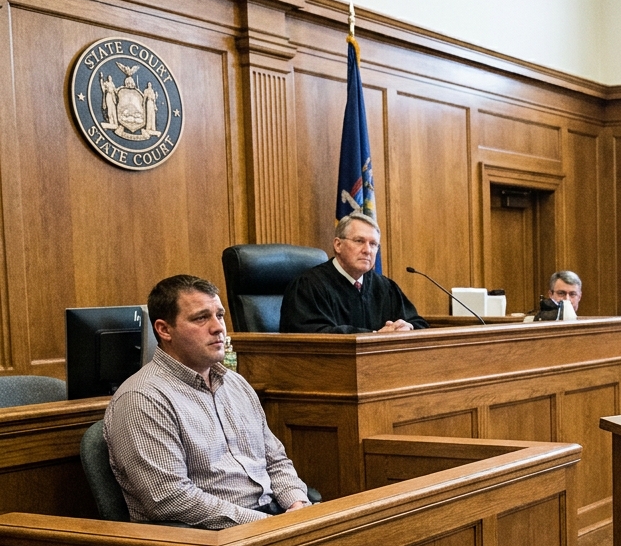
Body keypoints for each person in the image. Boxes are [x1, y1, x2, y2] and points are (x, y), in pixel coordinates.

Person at [106, 275, 312, 529]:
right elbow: (169, 498)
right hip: (210, 538)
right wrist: (268, 524)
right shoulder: (143, 398)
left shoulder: (236, 384)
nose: (218, 328)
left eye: (220, 315)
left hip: (270, 520)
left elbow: (275, 460)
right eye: (201, 318)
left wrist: (297, 505)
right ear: (164, 329)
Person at [280, 213, 428, 333]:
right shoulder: (309, 286)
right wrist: (375, 336)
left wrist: (407, 328)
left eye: (373, 244)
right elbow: (314, 334)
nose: (367, 250)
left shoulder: (384, 287)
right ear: (338, 245)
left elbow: (417, 322)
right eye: (359, 241)